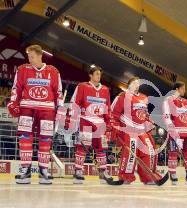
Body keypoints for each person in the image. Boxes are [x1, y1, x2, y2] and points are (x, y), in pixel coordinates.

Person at [9, 44, 63, 184]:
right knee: (25, 138)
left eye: (32, 56)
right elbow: (16, 88)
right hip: (27, 107)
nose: (29, 58)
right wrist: (13, 103)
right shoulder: (22, 69)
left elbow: (58, 92)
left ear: (40, 56)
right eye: (28, 56)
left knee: (45, 139)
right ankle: (25, 171)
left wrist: (61, 109)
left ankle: (43, 171)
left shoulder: (53, 71)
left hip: (47, 110)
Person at [66, 66, 112, 184]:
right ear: (90, 75)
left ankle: (103, 172)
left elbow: (107, 108)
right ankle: (78, 171)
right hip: (86, 120)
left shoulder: (105, 90)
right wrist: (71, 119)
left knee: (101, 148)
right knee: (83, 147)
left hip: (100, 123)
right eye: (96, 74)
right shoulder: (82, 86)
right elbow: (75, 103)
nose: (99, 76)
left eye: (100, 74)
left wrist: (108, 124)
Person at [111, 76, 160, 185]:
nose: (136, 85)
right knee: (131, 152)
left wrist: (150, 122)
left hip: (141, 130)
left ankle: (149, 177)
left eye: (138, 83)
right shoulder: (123, 96)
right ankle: (125, 176)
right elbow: (114, 113)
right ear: (129, 85)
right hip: (128, 128)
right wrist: (114, 127)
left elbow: (145, 114)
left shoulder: (143, 97)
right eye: (134, 83)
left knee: (150, 151)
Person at [163, 81, 187, 185]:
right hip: (175, 132)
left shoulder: (185, 101)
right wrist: (172, 130)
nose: (185, 90)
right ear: (177, 89)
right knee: (173, 153)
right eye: (183, 88)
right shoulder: (169, 100)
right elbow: (166, 116)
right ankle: (173, 174)